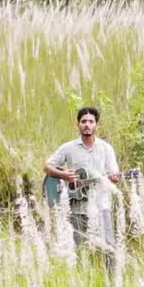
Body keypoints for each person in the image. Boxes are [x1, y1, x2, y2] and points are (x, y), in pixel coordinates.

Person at [43, 106, 121, 256]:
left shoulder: (106, 149)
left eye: (91, 121)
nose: (87, 125)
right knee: (78, 251)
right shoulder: (68, 148)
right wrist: (63, 174)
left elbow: (114, 175)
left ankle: (110, 272)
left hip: (101, 206)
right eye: (83, 121)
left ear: (97, 125)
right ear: (77, 124)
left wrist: (113, 178)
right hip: (76, 208)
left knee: (110, 249)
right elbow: (47, 166)